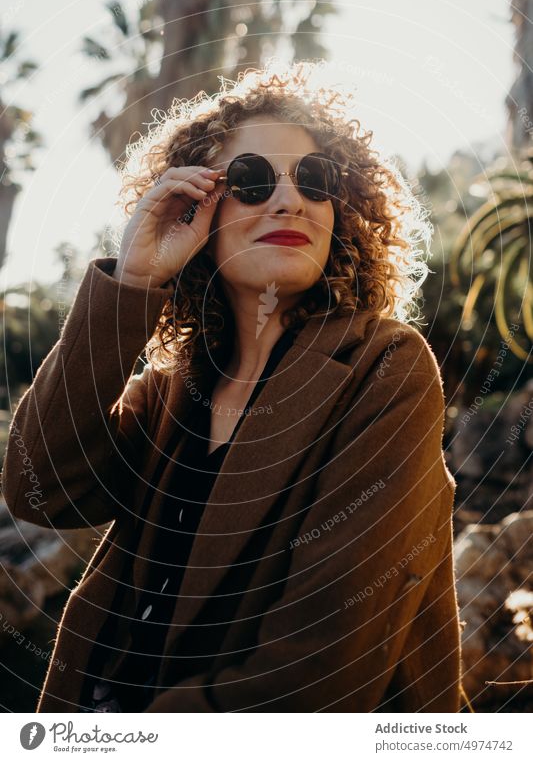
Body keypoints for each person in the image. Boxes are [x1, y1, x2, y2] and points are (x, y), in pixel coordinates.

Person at [1, 60, 463, 713]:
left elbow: (326, 659)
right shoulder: (169, 391)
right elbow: (39, 488)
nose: (288, 198)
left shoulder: (384, 367)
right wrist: (132, 281)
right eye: (249, 180)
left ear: (344, 209)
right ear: (198, 210)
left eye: (315, 178)